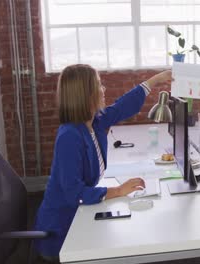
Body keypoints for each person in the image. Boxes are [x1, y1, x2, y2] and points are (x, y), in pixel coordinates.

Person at [33, 64, 172, 262]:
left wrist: (157, 79)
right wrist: (117, 191)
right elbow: (74, 192)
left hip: (80, 215)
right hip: (63, 232)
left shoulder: (94, 121)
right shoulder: (69, 136)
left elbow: (123, 106)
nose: (103, 89)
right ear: (86, 95)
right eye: (98, 85)